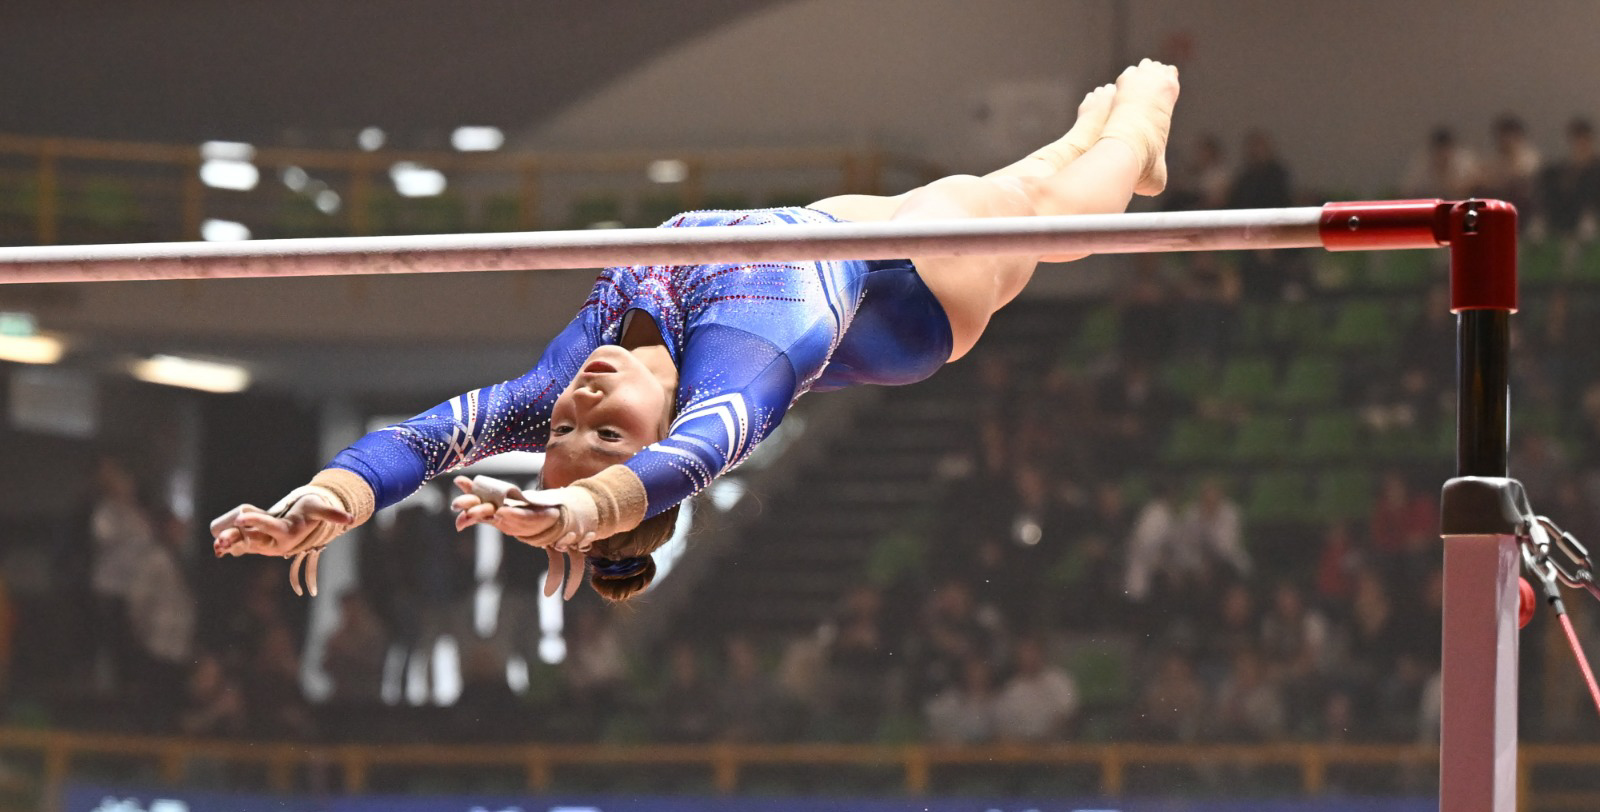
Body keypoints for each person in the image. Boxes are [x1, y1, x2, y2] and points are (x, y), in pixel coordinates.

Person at [212, 62, 1184, 603]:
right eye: (608, 434)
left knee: (999, 190)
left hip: (823, 236)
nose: (581, 404)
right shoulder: (742, 368)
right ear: (668, 427)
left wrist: (333, 497)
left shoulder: (565, 378)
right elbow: (696, 457)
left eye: (562, 430)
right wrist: (586, 509)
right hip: (912, 300)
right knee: (1040, 213)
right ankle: (1139, 136)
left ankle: (1077, 139)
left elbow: (425, 442)